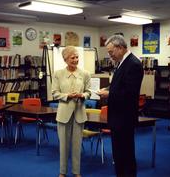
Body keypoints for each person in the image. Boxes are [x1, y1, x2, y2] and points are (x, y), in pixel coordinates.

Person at [97, 35, 143, 177]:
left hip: (125, 118)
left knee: (126, 154)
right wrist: (108, 89)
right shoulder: (122, 62)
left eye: (111, 52)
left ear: (121, 48)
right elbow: (118, 85)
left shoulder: (133, 64)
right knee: (118, 154)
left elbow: (130, 93)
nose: (110, 55)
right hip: (118, 117)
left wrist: (109, 95)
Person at [52, 46, 91, 177]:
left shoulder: (85, 74)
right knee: (63, 145)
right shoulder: (58, 74)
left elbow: (89, 92)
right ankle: (62, 172)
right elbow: (55, 93)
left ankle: (76, 172)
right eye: (72, 57)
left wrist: (82, 96)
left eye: (77, 57)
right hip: (63, 115)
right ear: (65, 59)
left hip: (79, 114)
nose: (75, 60)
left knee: (76, 145)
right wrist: (67, 96)